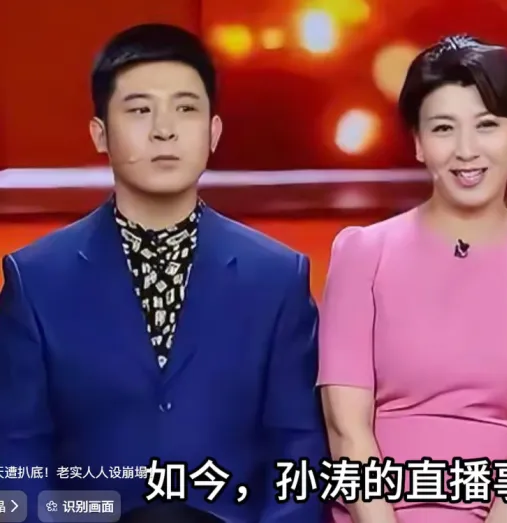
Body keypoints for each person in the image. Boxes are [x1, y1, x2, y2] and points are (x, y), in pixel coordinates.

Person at [0, 24, 327, 521]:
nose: (164, 130)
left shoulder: (277, 277)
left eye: (186, 108)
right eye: (139, 110)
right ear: (100, 134)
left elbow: (297, 448)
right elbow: (18, 451)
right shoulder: (36, 279)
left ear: (213, 132)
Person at [317, 35, 507, 523]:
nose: (466, 151)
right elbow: (347, 433)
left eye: (487, 126)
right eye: (444, 128)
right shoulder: (362, 254)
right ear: (418, 142)